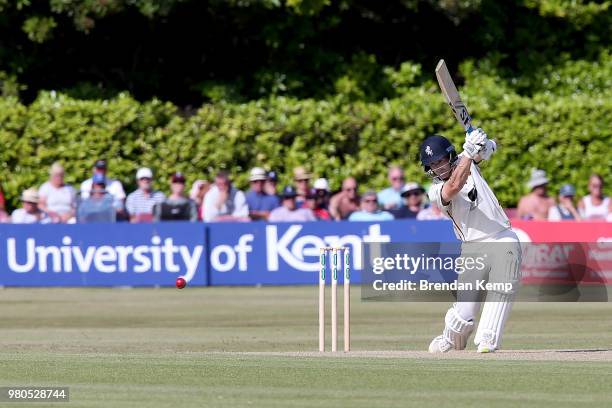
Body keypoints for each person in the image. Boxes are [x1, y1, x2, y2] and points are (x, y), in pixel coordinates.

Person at [420, 130, 521, 354]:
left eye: (440, 161)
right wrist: (469, 151)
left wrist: (485, 145)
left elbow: (489, 149)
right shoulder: (435, 191)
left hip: (501, 236)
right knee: (463, 316)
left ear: (449, 156)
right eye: (432, 164)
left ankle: (488, 337)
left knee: (504, 285)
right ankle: (450, 336)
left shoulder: (468, 161)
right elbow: (455, 185)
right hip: (472, 248)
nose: (438, 167)